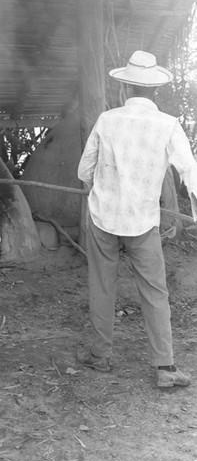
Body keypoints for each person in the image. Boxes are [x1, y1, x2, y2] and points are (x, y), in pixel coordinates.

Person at [77, 50, 197, 388]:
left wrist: (99, 187)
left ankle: (101, 356)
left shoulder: (107, 120)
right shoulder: (168, 125)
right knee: (155, 291)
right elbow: (190, 170)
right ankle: (165, 368)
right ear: (154, 90)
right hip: (144, 221)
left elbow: (84, 170)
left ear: (125, 88)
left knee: (102, 286)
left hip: (103, 219)